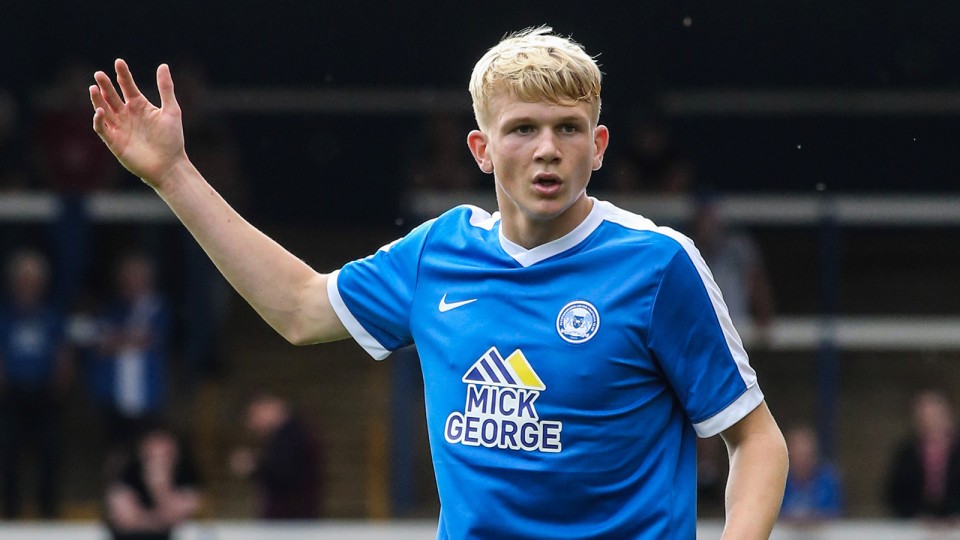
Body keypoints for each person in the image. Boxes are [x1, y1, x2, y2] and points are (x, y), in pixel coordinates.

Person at [89, 26, 788, 538]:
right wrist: (173, 176)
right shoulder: (439, 253)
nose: (548, 149)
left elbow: (756, 440)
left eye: (569, 128)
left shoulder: (657, 264)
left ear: (598, 146)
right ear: (481, 150)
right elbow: (299, 309)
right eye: (522, 129)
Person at [0, 250, 72, 519]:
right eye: (24, 278)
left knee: (49, 456)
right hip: (13, 394)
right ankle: (10, 514)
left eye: (34, 279)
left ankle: (48, 514)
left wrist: (59, 387)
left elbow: (62, 353)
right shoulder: (5, 314)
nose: (29, 284)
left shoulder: (51, 315)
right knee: (9, 456)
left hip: (44, 394)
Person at [86, 252, 171, 453]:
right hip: (114, 398)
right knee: (117, 452)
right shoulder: (111, 310)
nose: (131, 281)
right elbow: (99, 343)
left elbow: (149, 338)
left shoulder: (157, 307)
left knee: (150, 451)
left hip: (147, 397)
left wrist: (117, 339)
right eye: (127, 276)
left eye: (137, 275)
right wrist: (128, 339)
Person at [229, 391, 324, 520]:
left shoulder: (290, 435)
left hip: (290, 519)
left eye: (253, 415)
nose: (252, 425)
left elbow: (284, 476)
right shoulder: (290, 433)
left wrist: (254, 466)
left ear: (267, 408)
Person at [104, 423, 201, 540]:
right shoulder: (127, 474)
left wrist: (160, 489)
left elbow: (178, 515)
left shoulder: (187, 475)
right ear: (142, 450)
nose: (159, 458)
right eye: (153, 453)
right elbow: (125, 518)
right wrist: (157, 521)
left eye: (165, 453)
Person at [887, 390, 960, 518]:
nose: (931, 421)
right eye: (925, 416)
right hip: (915, 525)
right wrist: (916, 515)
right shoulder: (906, 453)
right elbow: (894, 492)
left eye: (935, 415)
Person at [780, 425, 843, 522]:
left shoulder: (828, 480)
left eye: (806, 455)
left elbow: (835, 512)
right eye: (798, 454)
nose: (802, 461)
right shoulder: (779, 479)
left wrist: (812, 518)